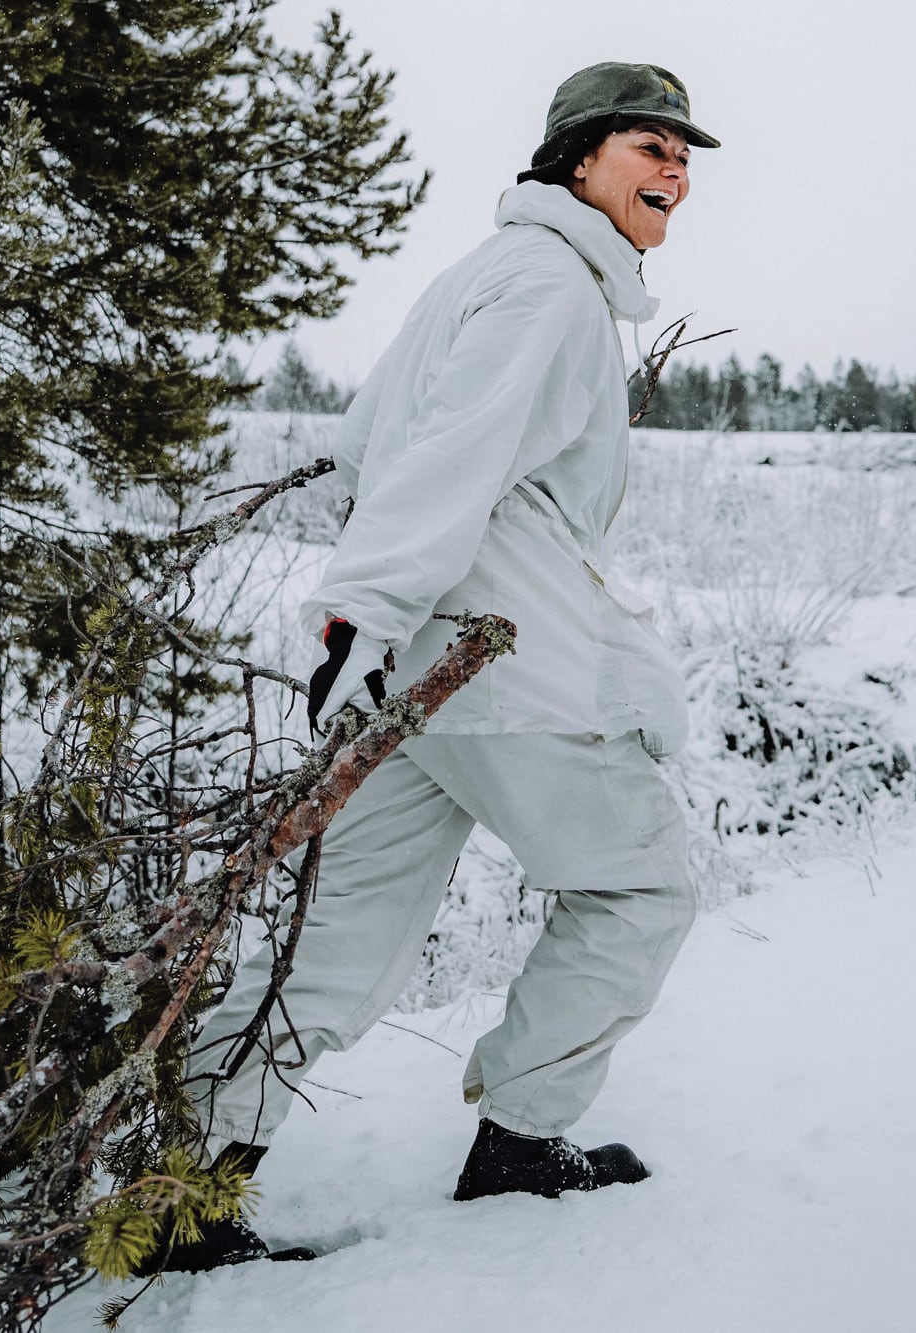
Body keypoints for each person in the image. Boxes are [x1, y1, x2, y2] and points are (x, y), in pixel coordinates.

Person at [162, 62, 720, 1271]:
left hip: (415, 676)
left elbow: (369, 448)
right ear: (577, 158)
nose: (673, 170)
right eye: (647, 146)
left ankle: (181, 1193)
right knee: (637, 888)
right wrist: (367, 602)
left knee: (338, 939)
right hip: (503, 664)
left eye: (683, 154)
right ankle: (521, 1138)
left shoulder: (477, 276)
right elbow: (455, 455)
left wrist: (369, 626)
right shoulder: (546, 286)